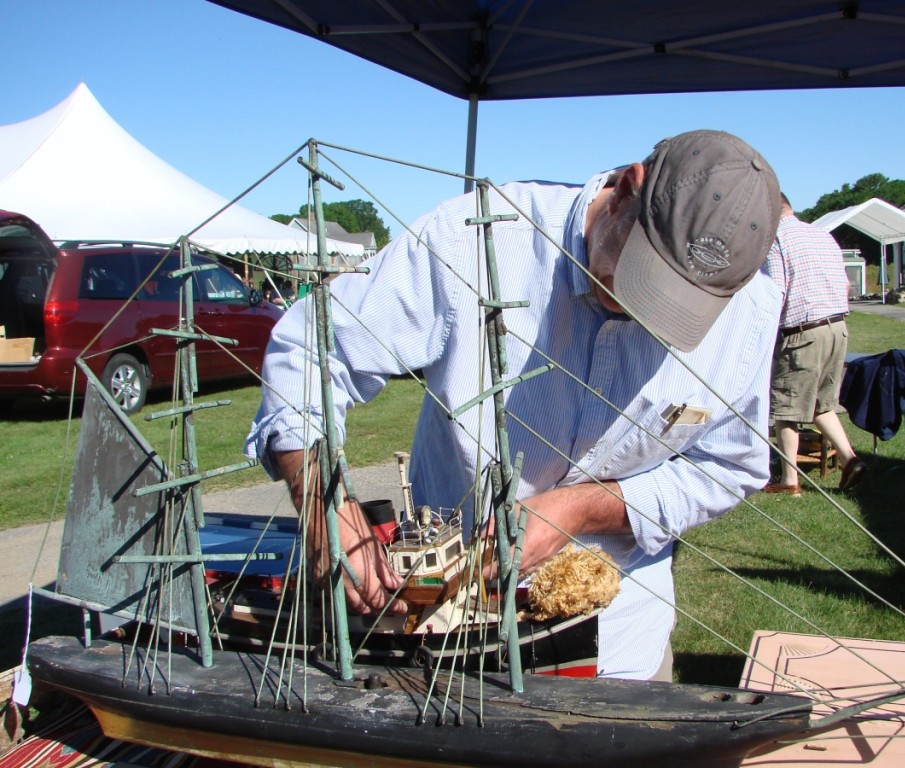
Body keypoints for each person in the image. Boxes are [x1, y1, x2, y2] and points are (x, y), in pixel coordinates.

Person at [245, 130, 783, 681]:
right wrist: (324, 508)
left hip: (626, 641)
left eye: (679, 307)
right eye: (641, 279)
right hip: (448, 635)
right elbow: (313, 350)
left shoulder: (752, 311)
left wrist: (584, 506)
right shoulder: (475, 238)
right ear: (626, 189)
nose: (645, 313)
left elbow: (730, 466)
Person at [761, 193, 868, 496]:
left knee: (786, 407)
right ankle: (850, 459)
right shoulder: (821, 235)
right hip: (837, 327)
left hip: (803, 331)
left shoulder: (776, 239)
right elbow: (845, 284)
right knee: (821, 403)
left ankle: (789, 481)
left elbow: (776, 292)